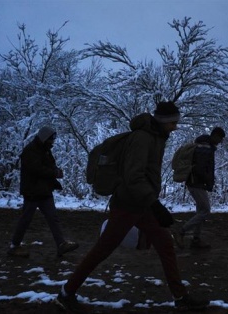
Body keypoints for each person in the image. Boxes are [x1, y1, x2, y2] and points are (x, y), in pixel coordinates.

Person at [55, 101, 209, 312]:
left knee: (165, 246)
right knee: (102, 250)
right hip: (128, 205)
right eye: (173, 122)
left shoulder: (155, 137)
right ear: (163, 121)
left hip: (141, 204)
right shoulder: (142, 138)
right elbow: (133, 176)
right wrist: (155, 205)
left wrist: (152, 204)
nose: (175, 127)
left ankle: (180, 296)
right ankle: (66, 292)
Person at [7, 126, 78, 258]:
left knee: (52, 218)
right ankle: (15, 245)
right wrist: (55, 173)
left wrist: (55, 171)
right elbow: (37, 169)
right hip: (33, 192)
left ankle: (61, 244)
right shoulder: (31, 151)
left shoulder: (43, 150)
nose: (53, 142)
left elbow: (47, 166)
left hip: (43, 191)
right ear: (45, 138)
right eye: (51, 139)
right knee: (26, 219)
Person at [174, 127, 226, 249]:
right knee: (205, 211)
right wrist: (207, 182)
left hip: (195, 182)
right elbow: (201, 168)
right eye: (220, 138)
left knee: (200, 211)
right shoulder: (205, 148)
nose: (220, 141)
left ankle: (196, 239)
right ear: (215, 136)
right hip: (196, 183)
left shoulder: (203, 146)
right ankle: (181, 232)